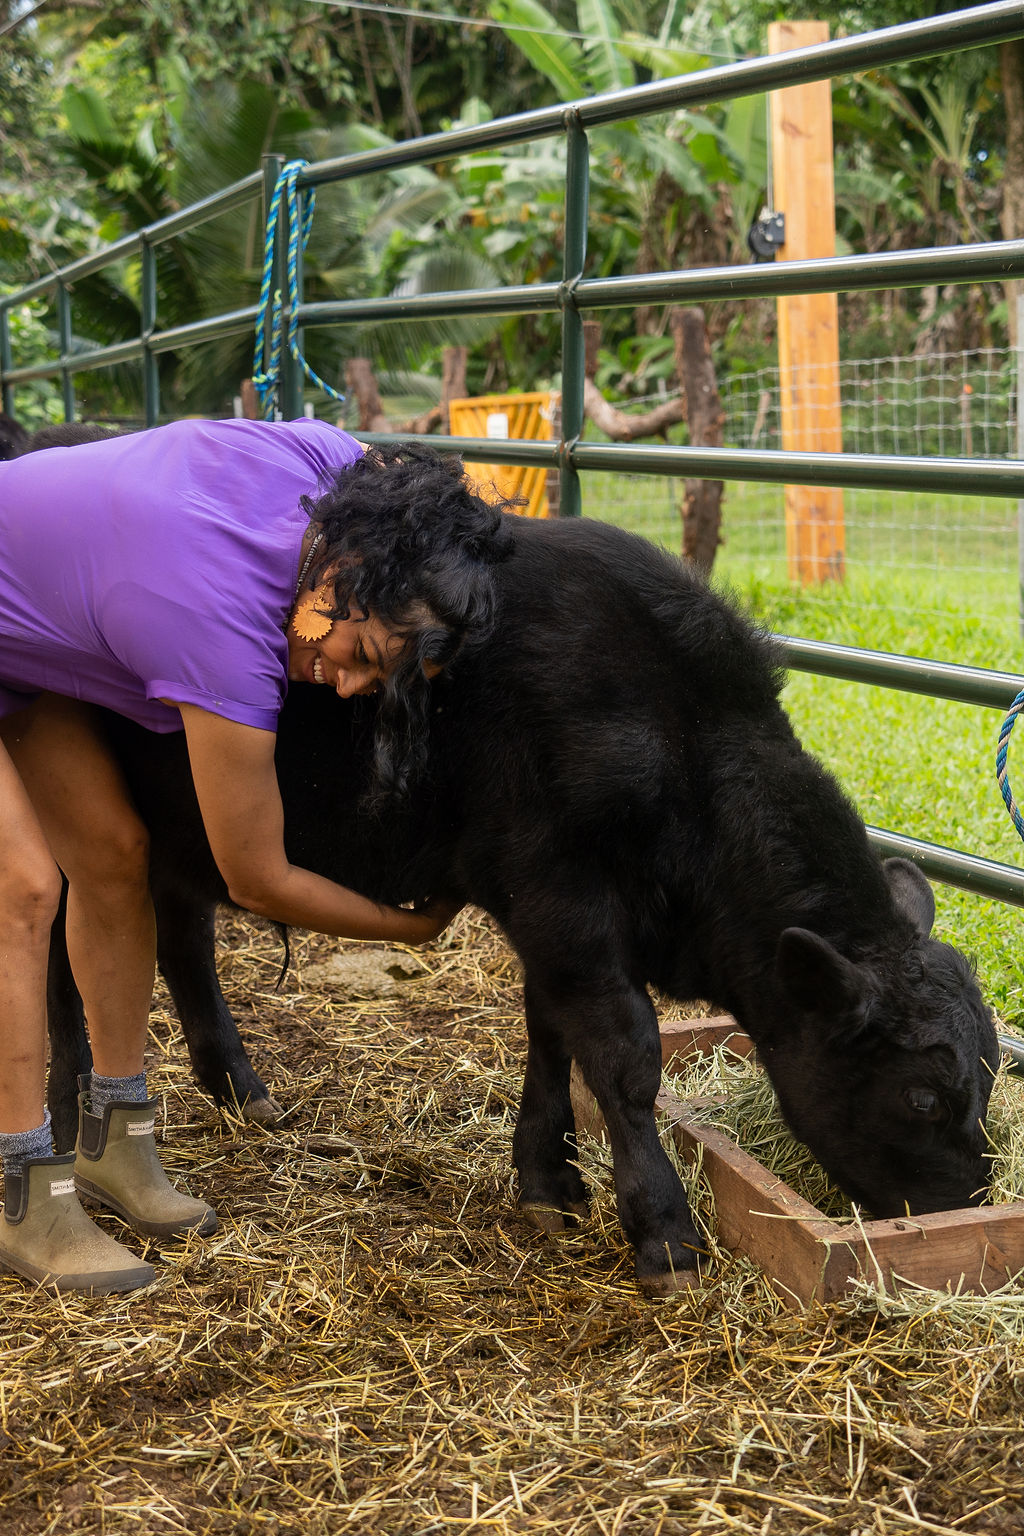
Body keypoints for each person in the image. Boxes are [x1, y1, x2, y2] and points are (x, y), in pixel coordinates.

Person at [0, 415, 513, 1295]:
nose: (350, 687)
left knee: (116, 855)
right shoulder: (219, 628)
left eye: (381, 680)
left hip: (23, 622)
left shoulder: (338, 477)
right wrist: (410, 927)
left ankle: (115, 1140)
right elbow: (257, 878)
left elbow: (417, 486)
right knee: (24, 889)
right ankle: (24, 1193)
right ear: (344, 578)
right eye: (362, 657)